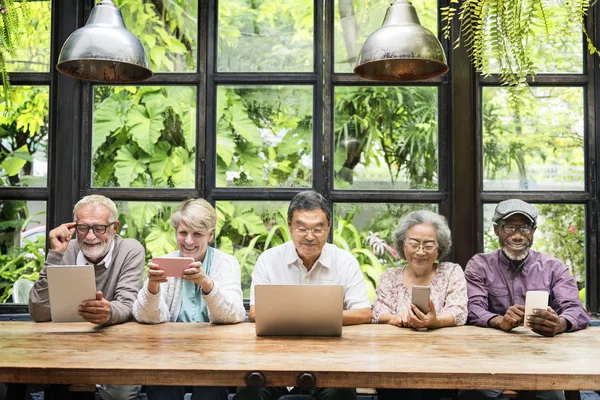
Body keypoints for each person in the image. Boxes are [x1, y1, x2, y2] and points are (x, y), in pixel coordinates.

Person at [234, 190, 371, 400]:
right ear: (290, 226)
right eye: (302, 228)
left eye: (318, 229)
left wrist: (307, 320)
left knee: (341, 393)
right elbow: (255, 312)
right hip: (273, 360)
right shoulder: (269, 260)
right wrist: (318, 319)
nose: (309, 236)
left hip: (330, 361)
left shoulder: (345, 261)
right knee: (248, 393)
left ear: (329, 227)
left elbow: (364, 313)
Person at [460, 199, 590, 400]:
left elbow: (576, 310)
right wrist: (499, 321)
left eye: (525, 227)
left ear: (534, 231)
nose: (518, 235)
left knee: (552, 396)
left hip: (543, 361)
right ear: (496, 230)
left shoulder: (553, 267)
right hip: (490, 358)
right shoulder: (480, 265)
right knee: (473, 393)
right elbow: (473, 309)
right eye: (509, 227)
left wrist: (560, 324)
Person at [29, 194, 145, 400]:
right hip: (67, 346)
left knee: (120, 394)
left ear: (114, 227)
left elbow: (128, 304)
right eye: (83, 228)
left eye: (99, 228)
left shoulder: (129, 249)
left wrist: (109, 313)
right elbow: (38, 311)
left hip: (116, 346)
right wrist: (54, 255)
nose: (90, 236)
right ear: (74, 227)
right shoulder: (65, 249)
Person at [133, 198, 245, 400]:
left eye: (198, 234)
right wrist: (152, 286)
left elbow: (235, 314)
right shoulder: (165, 262)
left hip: (215, 358)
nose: (189, 241)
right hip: (169, 357)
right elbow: (144, 317)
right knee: (163, 390)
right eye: (183, 233)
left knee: (210, 391)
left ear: (210, 235)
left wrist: (206, 283)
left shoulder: (226, 263)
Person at [372, 210, 467, 400]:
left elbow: (459, 310)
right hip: (394, 362)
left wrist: (435, 321)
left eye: (429, 244)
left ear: (439, 247)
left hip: (442, 361)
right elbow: (377, 310)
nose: (420, 251)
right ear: (403, 245)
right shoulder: (390, 276)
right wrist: (396, 318)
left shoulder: (451, 272)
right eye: (414, 243)